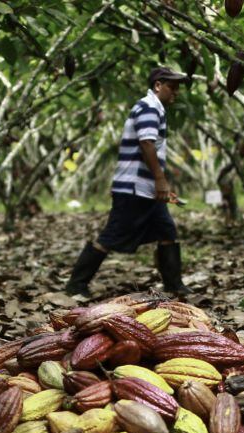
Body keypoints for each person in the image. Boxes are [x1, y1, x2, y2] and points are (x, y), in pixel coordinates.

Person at [65, 67, 193, 298]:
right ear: (158, 86)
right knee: (111, 236)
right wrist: (161, 180)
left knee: (167, 232)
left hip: (146, 189)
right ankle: (76, 284)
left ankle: (174, 285)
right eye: (172, 87)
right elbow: (146, 144)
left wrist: (159, 186)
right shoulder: (148, 107)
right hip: (134, 189)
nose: (176, 92)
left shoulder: (154, 108)